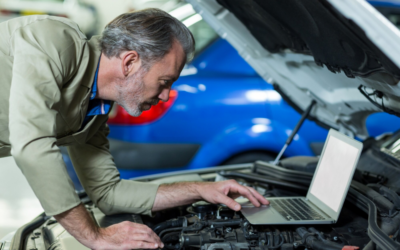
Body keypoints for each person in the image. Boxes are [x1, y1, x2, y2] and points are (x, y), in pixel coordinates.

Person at [0, 8, 269, 249]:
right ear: (130, 63)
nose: (165, 95)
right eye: (164, 81)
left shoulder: (94, 114)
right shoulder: (51, 41)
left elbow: (109, 193)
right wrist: (95, 236)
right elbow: (32, 146)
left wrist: (199, 189)